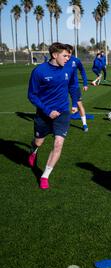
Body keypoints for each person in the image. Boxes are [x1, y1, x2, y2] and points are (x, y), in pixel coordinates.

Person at [27, 42, 78, 189]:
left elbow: (73, 86)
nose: (68, 58)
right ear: (55, 55)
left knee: (58, 143)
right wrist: (47, 110)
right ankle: (33, 150)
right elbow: (32, 95)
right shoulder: (39, 71)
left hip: (63, 112)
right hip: (44, 114)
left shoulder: (69, 68)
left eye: (69, 56)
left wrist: (74, 103)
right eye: (65, 55)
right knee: (38, 142)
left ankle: (44, 175)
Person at [65, 44, 89, 132]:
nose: (69, 55)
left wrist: (85, 83)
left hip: (74, 85)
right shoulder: (59, 60)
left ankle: (84, 124)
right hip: (62, 86)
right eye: (67, 53)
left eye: (70, 53)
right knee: (61, 104)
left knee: (79, 104)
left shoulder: (76, 60)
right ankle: (58, 126)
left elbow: (82, 71)